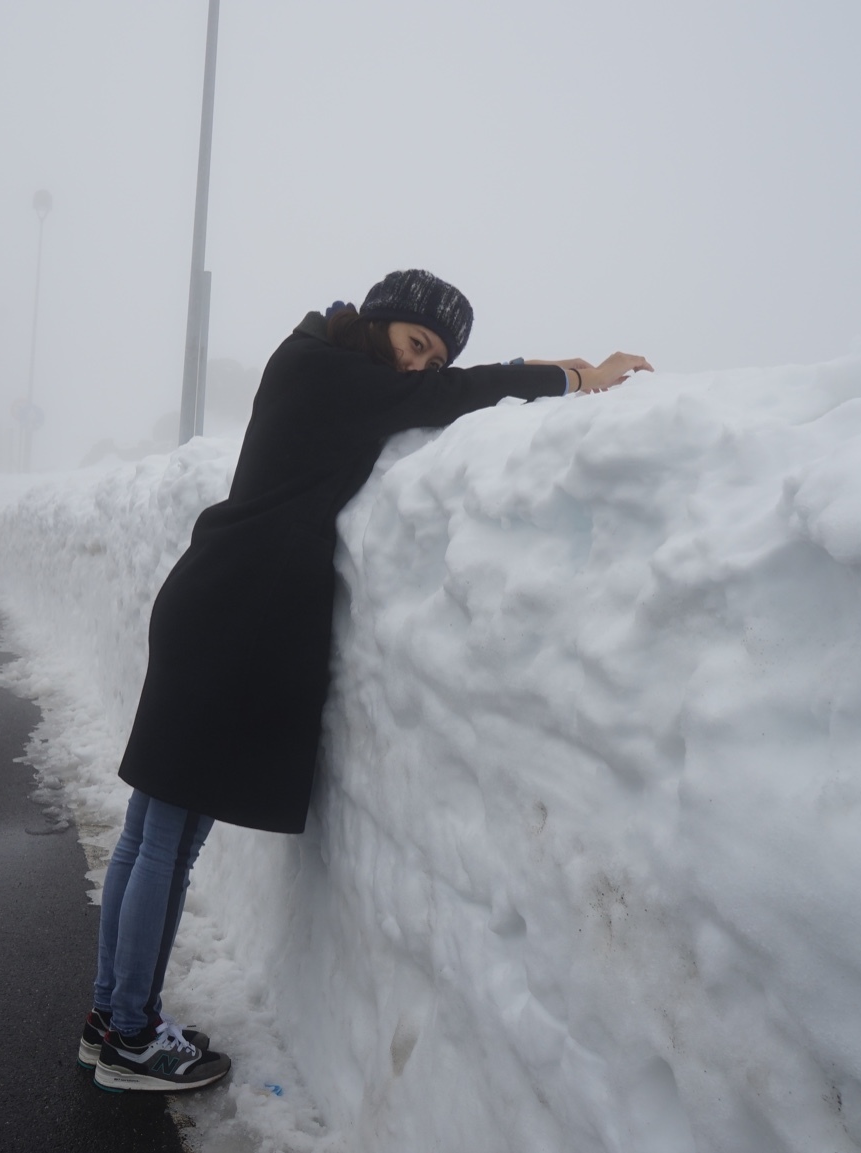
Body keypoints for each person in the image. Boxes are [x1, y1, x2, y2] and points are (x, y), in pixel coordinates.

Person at [81, 269, 651, 1093]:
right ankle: (131, 1034)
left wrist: (541, 363)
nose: (419, 366)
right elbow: (457, 395)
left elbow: (437, 387)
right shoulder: (334, 374)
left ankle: (111, 1018)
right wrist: (573, 376)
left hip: (213, 600)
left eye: (434, 355)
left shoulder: (315, 358)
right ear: (384, 321)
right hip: (231, 614)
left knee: (152, 829)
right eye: (416, 344)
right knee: (166, 839)